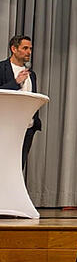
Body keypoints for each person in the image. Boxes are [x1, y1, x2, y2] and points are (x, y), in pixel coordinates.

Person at [0, 35, 43, 171]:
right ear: (14, 49)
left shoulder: (32, 74)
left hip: (27, 128)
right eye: (25, 48)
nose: (29, 52)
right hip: (6, 127)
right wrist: (15, 83)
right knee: (4, 166)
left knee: (18, 168)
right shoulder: (1, 68)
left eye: (30, 48)